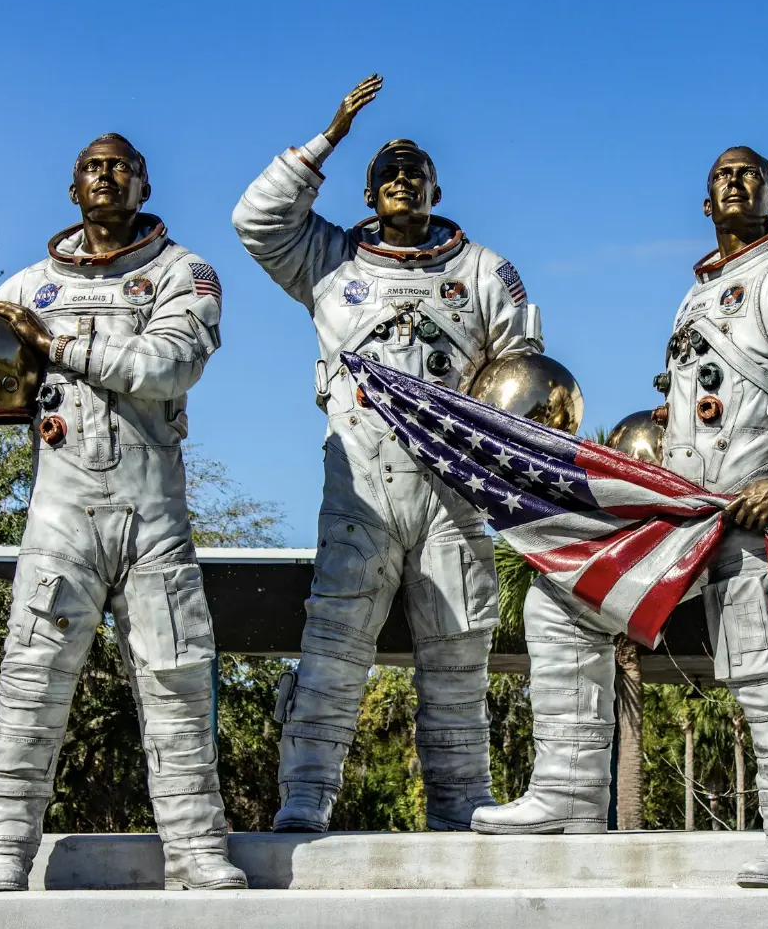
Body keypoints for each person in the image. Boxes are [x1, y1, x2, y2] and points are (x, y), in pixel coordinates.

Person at [470, 147, 768, 891]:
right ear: (704, 203)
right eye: (721, 176)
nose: (734, 182)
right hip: (687, 510)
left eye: (749, 174)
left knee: (764, 664)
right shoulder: (703, 291)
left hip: (753, 513)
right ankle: (566, 792)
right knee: (565, 596)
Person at [0, 134, 244, 891]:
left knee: (178, 682)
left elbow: (169, 367)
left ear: (144, 183)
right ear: (72, 188)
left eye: (121, 166)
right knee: (30, 679)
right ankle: (1, 849)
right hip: (61, 514)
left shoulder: (183, 274)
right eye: (92, 167)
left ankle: (195, 850)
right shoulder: (25, 286)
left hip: (153, 516)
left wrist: (55, 341)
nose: (106, 177)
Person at [231, 75, 543, 833]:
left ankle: (461, 800)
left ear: (437, 187)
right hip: (360, 488)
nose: (403, 180)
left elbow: (525, 377)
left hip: (453, 491)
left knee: (459, 651)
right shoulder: (329, 261)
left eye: (416, 170)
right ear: (368, 194)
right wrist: (329, 136)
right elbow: (255, 220)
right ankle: (307, 793)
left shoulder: (484, 272)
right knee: (334, 646)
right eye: (388, 173)